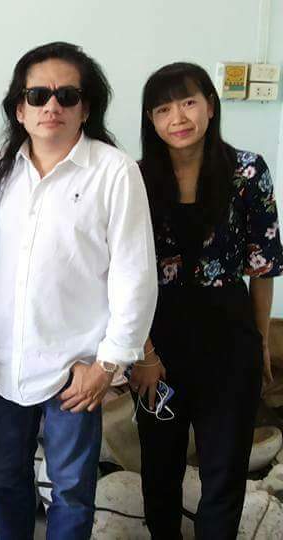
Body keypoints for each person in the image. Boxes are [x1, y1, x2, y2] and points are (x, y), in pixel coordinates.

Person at [0, 42, 157, 539]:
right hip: (2, 363)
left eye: (67, 95)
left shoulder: (114, 172)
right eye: (37, 95)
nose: (51, 106)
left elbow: (135, 275)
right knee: (5, 479)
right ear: (19, 108)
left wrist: (108, 365)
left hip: (75, 370)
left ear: (86, 107)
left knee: (72, 491)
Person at [129, 62, 282, 539]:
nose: (178, 117)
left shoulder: (248, 171)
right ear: (151, 120)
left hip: (229, 336)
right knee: (159, 467)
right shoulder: (135, 179)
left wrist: (260, 339)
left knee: (224, 469)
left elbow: (262, 264)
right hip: (158, 340)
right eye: (163, 109)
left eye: (189, 102)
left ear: (211, 107)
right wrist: (143, 354)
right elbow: (122, 274)